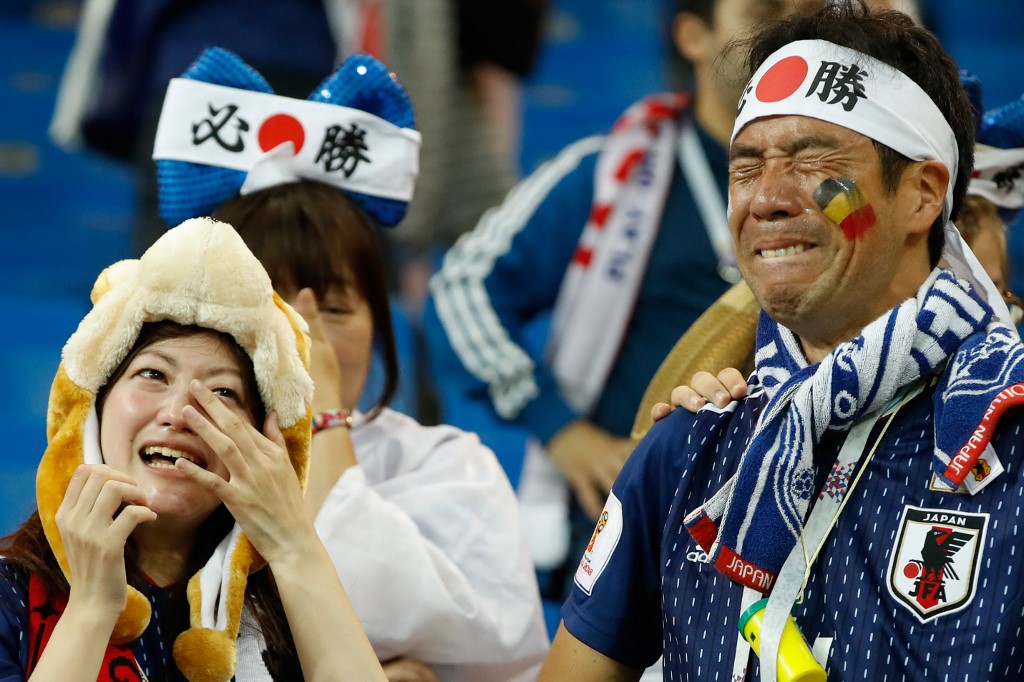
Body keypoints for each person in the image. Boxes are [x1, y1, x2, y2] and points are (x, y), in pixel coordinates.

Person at [541, 2, 1024, 680]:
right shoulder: (689, 448)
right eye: (746, 168)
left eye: (812, 159)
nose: (765, 198)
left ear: (921, 195)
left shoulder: (1009, 438)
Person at [152, 48, 549, 681]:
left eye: (334, 308)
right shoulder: (169, 459)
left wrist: (325, 419)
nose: (302, 340)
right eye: (272, 308)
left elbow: (490, 647)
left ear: (380, 323)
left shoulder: (450, 466)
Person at [424, 0, 819, 590]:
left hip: (799, 526)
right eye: (763, 11)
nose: (788, 30)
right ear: (693, 36)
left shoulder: (844, 181)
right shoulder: (614, 172)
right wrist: (561, 428)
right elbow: (462, 291)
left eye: (804, 10)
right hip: (636, 537)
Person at [0, 217, 385, 681]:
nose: (179, 413)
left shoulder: (289, 615)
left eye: (223, 393)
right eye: (153, 375)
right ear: (91, 411)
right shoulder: (10, 596)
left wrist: (294, 546)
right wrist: (91, 608)